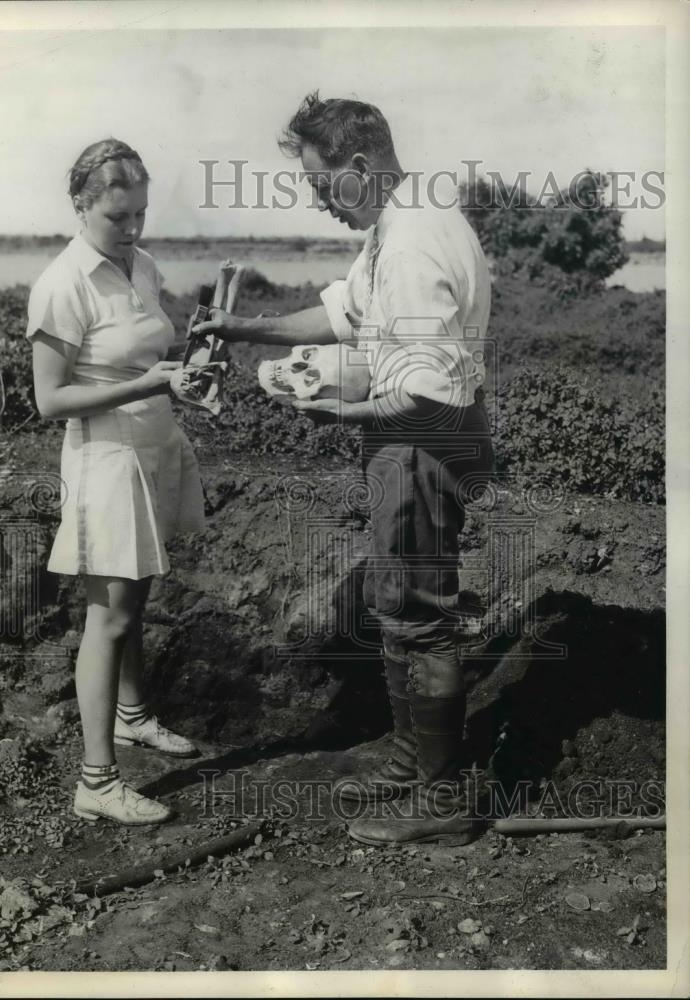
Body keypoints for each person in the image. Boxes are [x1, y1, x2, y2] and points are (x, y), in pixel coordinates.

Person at [194, 93, 494, 846]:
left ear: (360, 167)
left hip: (425, 441)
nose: (320, 201)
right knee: (398, 602)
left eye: (324, 184)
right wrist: (246, 327)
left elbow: (427, 387)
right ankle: (410, 755)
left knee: (421, 618)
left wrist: (341, 412)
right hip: (407, 439)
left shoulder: (418, 239)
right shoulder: (395, 225)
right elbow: (343, 314)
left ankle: (444, 798)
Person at [27, 138, 205, 826]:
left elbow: (148, 354)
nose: (132, 230)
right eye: (118, 218)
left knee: (138, 591)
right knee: (110, 615)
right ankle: (96, 782)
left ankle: (132, 716)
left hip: (155, 442)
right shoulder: (62, 282)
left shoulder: (144, 266)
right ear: (81, 205)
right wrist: (144, 382)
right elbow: (49, 401)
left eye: (140, 215)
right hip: (106, 456)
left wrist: (179, 380)